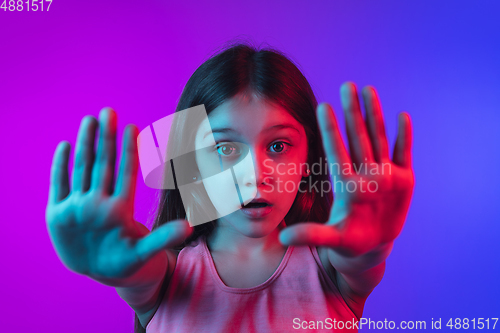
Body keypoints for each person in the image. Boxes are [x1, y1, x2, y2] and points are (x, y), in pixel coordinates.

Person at [46, 42, 414, 333]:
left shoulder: (333, 272)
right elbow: (136, 276)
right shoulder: (164, 276)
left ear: (308, 160)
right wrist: (117, 269)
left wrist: (373, 248)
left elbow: (361, 262)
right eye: (224, 148)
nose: (254, 174)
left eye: (278, 146)